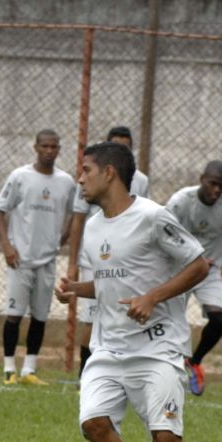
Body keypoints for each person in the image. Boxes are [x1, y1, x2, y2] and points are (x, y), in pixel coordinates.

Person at [54, 142, 209, 442]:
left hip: (158, 348)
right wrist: (76, 290)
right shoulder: (94, 227)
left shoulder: (153, 217)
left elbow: (199, 264)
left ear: (109, 173)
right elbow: (111, 283)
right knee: (94, 425)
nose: (79, 178)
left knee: (165, 439)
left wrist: (153, 297)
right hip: (109, 348)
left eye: (86, 170)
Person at [0, 129, 76, 385]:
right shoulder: (20, 176)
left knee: (40, 316)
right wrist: (7, 246)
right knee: (14, 314)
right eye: (45, 146)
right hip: (20, 258)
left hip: (47, 260)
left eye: (54, 146)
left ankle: (29, 369)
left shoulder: (66, 182)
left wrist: (63, 237)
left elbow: (76, 213)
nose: (49, 151)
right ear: (36, 148)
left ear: (59, 149)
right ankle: (9, 369)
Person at [67, 126, 150, 377]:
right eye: (116, 145)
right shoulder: (90, 182)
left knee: (120, 314)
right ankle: (87, 375)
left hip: (124, 257)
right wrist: (72, 263)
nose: (82, 178)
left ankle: (123, 371)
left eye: (126, 147)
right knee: (92, 318)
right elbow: (78, 219)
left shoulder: (141, 184)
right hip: (95, 256)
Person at [165, 160, 222, 395]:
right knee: (169, 322)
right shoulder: (181, 202)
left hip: (208, 271)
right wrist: (188, 257)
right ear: (202, 179)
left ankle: (195, 362)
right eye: (212, 184)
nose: (217, 190)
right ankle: (161, 369)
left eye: (221, 185)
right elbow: (162, 232)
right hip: (178, 270)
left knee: (220, 317)